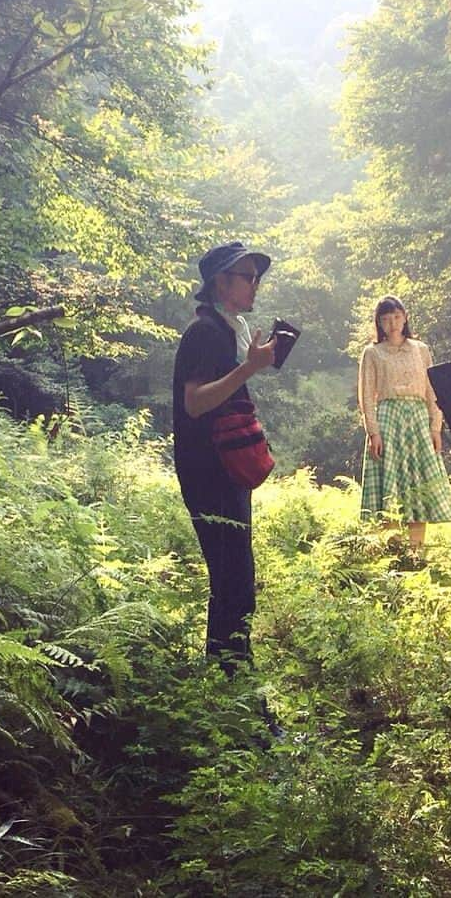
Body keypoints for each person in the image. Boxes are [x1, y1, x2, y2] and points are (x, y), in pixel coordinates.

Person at [172, 241, 277, 671]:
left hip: (226, 468)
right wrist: (249, 368)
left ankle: (231, 674)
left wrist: (251, 363)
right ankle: (232, 678)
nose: (255, 286)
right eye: (248, 277)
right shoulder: (205, 333)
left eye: (257, 278)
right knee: (233, 579)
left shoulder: (227, 329)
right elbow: (195, 403)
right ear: (221, 282)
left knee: (236, 577)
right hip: (209, 470)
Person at [358, 295, 451, 558]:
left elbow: (432, 390)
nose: (392, 324)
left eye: (397, 317)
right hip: (388, 418)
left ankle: (416, 555)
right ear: (379, 322)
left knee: (418, 486)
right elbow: (366, 395)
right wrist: (373, 431)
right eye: (386, 319)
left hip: (418, 419)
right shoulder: (372, 353)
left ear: (405, 317)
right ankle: (395, 555)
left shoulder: (420, 350)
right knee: (391, 486)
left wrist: (436, 427)